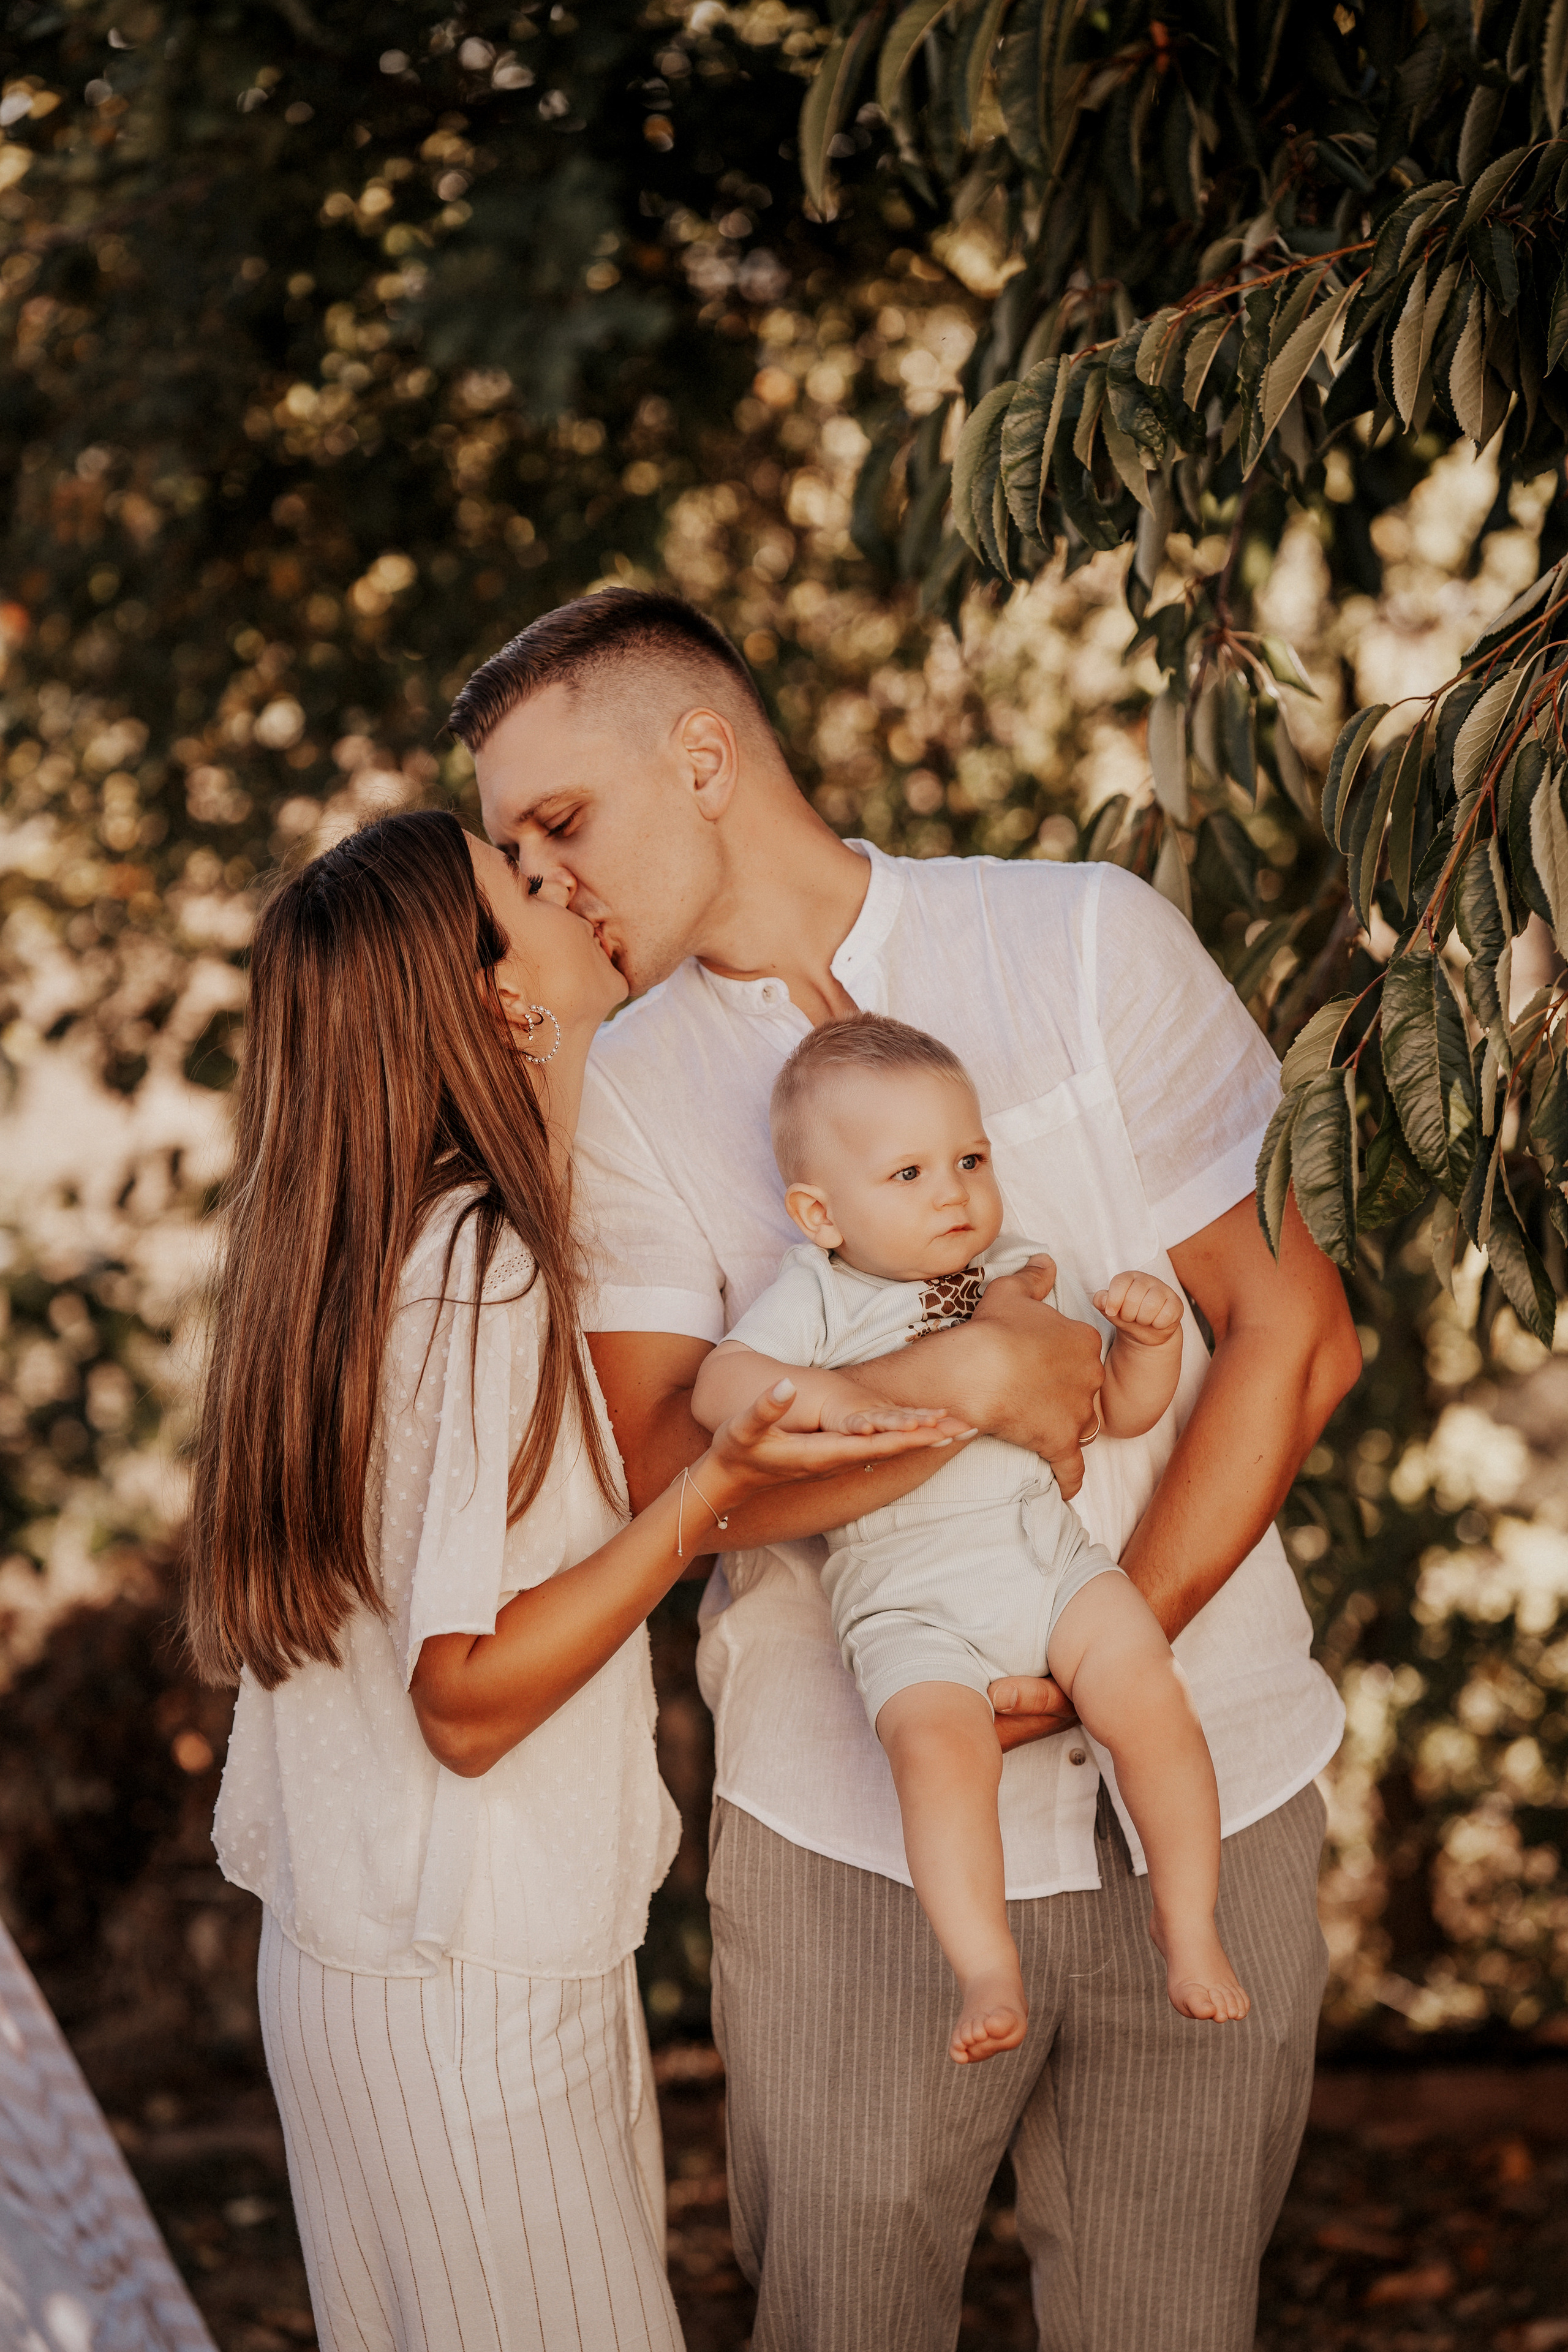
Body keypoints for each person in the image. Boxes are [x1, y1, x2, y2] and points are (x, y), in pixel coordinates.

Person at [451, 588, 1363, 2352]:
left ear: (703, 755)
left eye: (560, 825)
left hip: (1210, 1785)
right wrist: (955, 1376)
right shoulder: (619, 1097)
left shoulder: (1084, 940)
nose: (545, 885)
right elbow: (663, 1478)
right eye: (510, 853)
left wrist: (1114, 1650)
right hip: (848, 1836)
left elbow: (1294, 1332)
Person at [185, 809, 951, 2352]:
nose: (569, 889)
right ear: (494, 998)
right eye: (521, 887)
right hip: (470, 1973)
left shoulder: (362, 1245)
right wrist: (703, 1503)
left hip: (365, 1956)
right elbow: (462, 1701)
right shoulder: (482, 1266)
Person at [691, 1012, 1248, 2065]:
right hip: (907, 1605)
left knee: (1151, 1696)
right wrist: (833, 1403)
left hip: (1049, 1564)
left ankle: (1189, 1922)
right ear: (819, 1213)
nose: (953, 1191)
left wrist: (1149, 1343)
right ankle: (986, 1966)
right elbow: (721, 1388)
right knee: (939, 1759)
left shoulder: (1015, 1272)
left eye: (969, 1159)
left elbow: (1112, 1412)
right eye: (908, 1173)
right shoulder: (814, 1295)